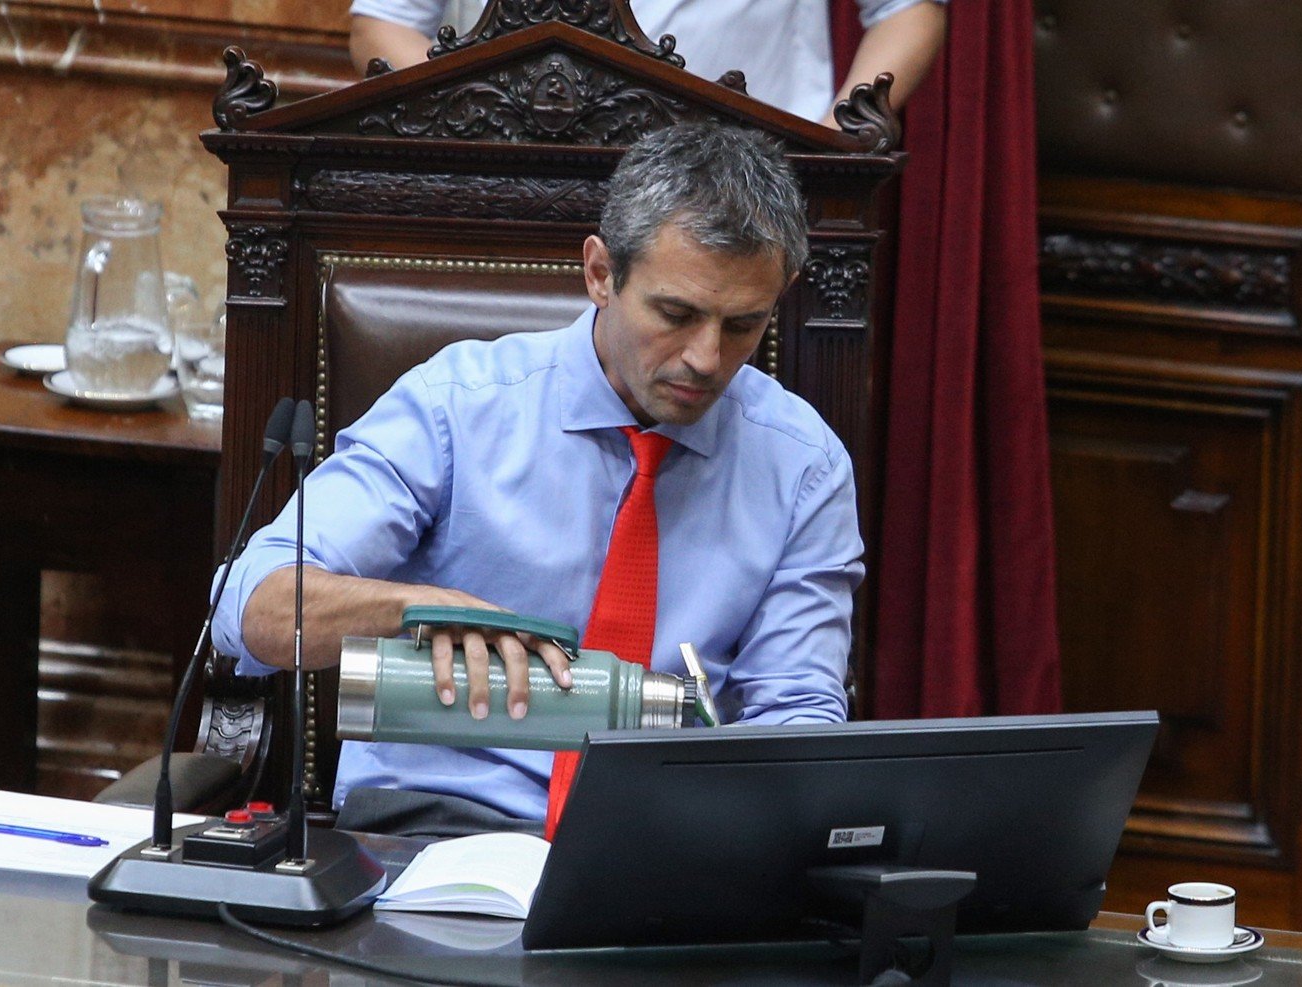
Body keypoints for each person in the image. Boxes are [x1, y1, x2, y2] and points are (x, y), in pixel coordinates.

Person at [211, 121, 865, 831]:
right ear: (600, 273)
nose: (706, 358)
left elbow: (796, 714)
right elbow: (251, 608)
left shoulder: (802, 465)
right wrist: (419, 608)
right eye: (675, 314)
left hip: (667, 838)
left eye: (742, 325)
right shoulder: (456, 407)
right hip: (439, 829)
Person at [348, 0, 948, 125]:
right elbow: (384, 22)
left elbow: (905, 9)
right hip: (514, 179)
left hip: (742, 181)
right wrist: (465, 121)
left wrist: (831, 138)